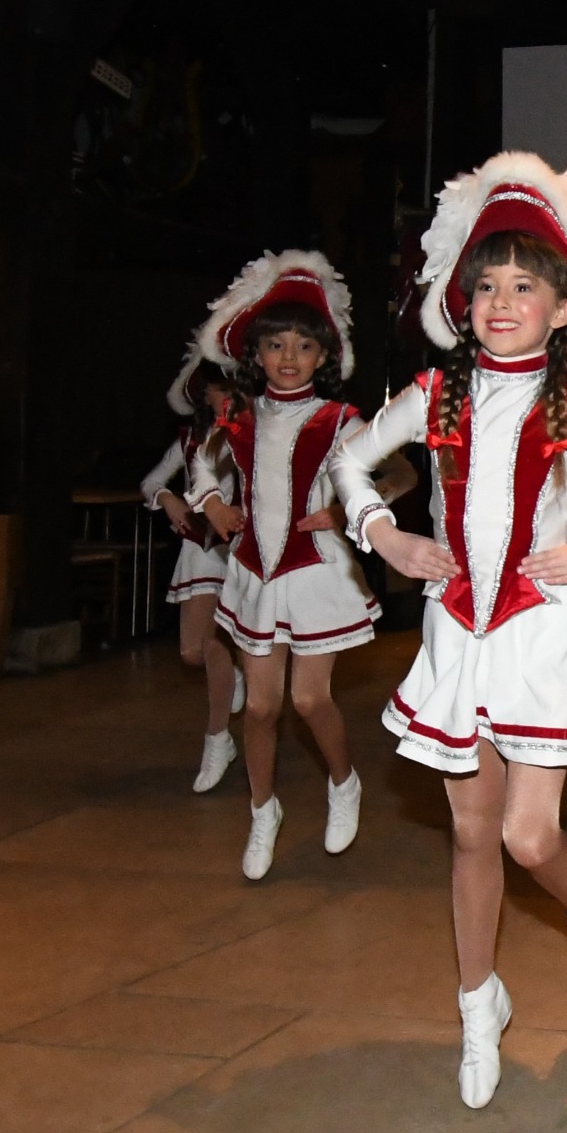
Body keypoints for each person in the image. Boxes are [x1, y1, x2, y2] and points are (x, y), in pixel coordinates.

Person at [331, 152, 567, 1109]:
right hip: (455, 631)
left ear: (563, 309)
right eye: (487, 285)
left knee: (531, 837)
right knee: (470, 832)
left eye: (524, 286)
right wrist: (384, 535)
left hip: (540, 629)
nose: (502, 301)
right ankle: (477, 1006)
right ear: (464, 305)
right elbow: (349, 463)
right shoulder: (434, 393)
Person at [181, 251, 391, 878]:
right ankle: (262, 810)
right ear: (257, 353)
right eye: (276, 345)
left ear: (324, 356)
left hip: (317, 573)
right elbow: (201, 464)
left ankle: (343, 782)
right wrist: (213, 503)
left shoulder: (340, 420)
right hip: (254, 573)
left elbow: (397, 475)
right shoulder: (239, 417)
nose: (289, 356)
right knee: (261, 707)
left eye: (303, 345)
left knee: (309, 699)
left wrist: (346, 510)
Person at [141, 358, 245, 792]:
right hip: (201, 549)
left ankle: (217, 739)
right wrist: (168, 499)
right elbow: (151, 482)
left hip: (242, 550)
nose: (227, 399)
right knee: (190, 652)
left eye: (234, 391)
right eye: (219, 390)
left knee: (214, 647)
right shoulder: (189, 440)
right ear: (205, 395)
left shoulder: (255, 435)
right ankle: (233, 679)